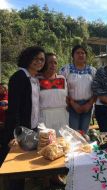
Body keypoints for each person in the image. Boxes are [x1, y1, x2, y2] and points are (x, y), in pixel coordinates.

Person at [3, 46, 45, 189]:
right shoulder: (19, 77)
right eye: (36, 58)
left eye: (42, 59)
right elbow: (13, 108)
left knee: (25, 163)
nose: (39, 62)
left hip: (32, 127)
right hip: (19, 130)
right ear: (27, 58)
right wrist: (15, 134)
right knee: (16, 168)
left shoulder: (34, 79)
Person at [60, 45, 96, 133]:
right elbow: (61, 89)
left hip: (88, 105)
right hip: (72, 106)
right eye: (77, 53)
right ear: (73, 56)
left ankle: (84, 147)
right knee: (73, 133)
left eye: (82, 53)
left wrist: (89, 104)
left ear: (86, 56)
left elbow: (97, 89)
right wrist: (73, 103)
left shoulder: (92, 70)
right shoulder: (66, 69)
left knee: (84, 132)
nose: (80, 55)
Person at [38, 53, 68, 136]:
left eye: (55, 63)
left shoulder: (62, 79)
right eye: (50, 62)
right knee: (46, 144)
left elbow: (67, 98)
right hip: (44, 117)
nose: (53, 65)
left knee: (62, 143)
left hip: (62, 116)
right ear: (44, 64)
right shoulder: (37, 80)